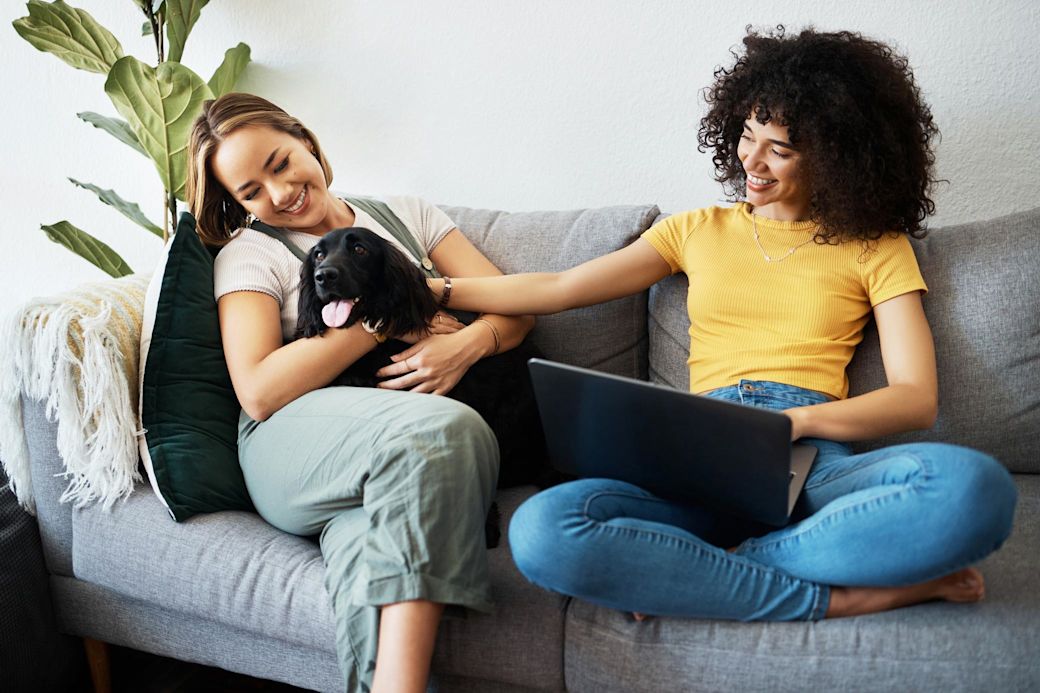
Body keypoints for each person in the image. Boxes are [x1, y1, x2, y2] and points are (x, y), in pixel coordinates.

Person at [430, 27, 1017, 621]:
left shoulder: (877, 247)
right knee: (543, 528)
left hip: (812, 459)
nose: (751, 162)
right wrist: (434, 288)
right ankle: (830, 594)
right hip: (698, 454)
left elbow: (915, 398)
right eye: (747, 134)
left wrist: (794, 423)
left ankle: (705, 570)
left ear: (836, 156)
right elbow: (559, 288)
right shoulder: (696, 230)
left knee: (973, 488)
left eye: (779, 150)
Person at [185, 92, 535, 693]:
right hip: (293, 445)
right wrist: (388, 320)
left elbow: (515, 306)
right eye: (251, 192)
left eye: (280, 163)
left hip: (388, 448)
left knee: (370, 543)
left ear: (306, 141)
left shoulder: (406, 215)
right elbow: (260, 391)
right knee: (444, 431)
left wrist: (467, 344)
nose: (279, 194)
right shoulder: (249, 255)